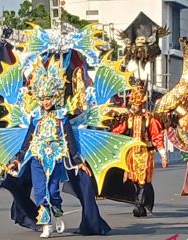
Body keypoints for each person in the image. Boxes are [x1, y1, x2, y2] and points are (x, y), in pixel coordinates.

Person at [6, 66, 110, 237]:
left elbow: (70, 140)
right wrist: (17, 160)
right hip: (36, 159)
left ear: (55, 97)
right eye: (43, 99)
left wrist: (79, 162)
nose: (46, 102)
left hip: (56, 159)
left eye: (49, 98)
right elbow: (28, 141)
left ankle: (58, 212)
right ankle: (46, 224)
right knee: (40, 192)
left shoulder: (62, 117)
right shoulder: (36, 117)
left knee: (53, 192)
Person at [109, 86, 169, 217]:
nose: (134, 106)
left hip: (144, 154)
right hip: (130, 155)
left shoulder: (149, 119)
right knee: (133, 180)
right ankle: (140, 202)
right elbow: (117, 131)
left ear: (142, 104)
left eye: (137, 104)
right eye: (133, 104)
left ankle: (139, 206)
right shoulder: (128, 119)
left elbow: (157, 137)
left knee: (142, 180)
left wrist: (163, 155)